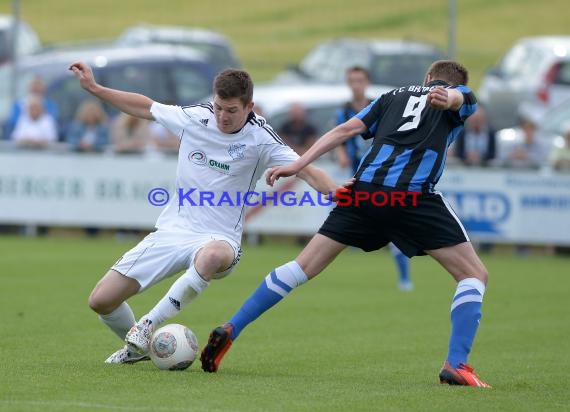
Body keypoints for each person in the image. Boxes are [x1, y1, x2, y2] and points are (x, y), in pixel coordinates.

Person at [201, 60, 492, 388]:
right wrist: (449, 99)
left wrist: (299, 163)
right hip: (411, 198)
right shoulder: (458, 94)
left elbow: (344, 131)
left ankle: (232, 328)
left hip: (364, 191)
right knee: (474, 274)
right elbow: (460, 99)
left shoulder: (390, 96)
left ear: (426, 77)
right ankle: (456, 364)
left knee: (301, 267)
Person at [69, 61, 339, 364]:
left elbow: (307, 171)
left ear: (249, 106)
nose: (222, 116)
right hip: (173, 231)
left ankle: (148, 324)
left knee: (209, 256)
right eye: (219, 107)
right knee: (102, 300)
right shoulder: (196, 118)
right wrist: (95, 88)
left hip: (219, 240)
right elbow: (145, 107)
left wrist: (340, 195)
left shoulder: (261, 137)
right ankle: (136, 351)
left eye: (232, 110)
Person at [335, 66, 412, 290]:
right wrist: (340, 154)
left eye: (360, 80)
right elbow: (339, 136)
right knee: (341, 223)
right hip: (355, 179)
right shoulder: (344, 111)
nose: (356, 85)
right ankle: (342, 277)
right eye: (352, 81)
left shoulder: (379, 106)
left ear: (366, 82)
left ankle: (404, 278)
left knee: (394, 224)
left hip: (382, 178)